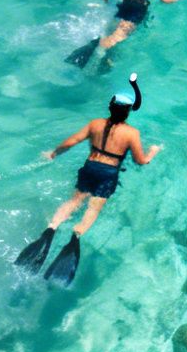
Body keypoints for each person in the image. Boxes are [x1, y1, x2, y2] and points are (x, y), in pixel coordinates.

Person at [14, 74, 162, 287]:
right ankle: (75, 236)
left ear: (110, 107)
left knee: (74, 201)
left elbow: (72, 141)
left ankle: (52, 227)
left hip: (90, 167)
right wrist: (153, 152)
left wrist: (54, 153)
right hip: (108, 173)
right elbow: (141, 161)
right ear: (128, 112)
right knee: (93, 208)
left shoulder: (95, 124)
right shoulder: (131, 133)